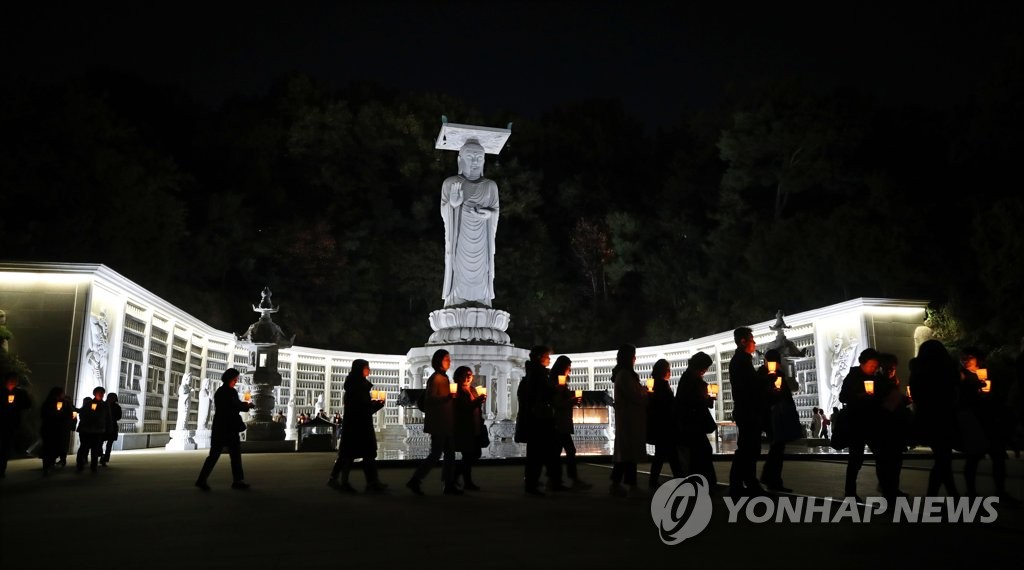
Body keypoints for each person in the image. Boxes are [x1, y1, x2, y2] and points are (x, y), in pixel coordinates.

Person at [440, 140, 499, 307]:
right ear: (460, 161)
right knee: (458, 266)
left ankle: (482, 300)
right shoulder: (451, 183)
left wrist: (489, 214)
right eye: (470, 157)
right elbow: (444, 213)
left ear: (484, 162)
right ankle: (455, 300)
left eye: (479, 158)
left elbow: (496, 212)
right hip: (460, 240)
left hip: (482, 242)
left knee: (483, 269)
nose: (474, 162)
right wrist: (453, 204)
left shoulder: (490, 186)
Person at [958, 348, 1016, 503]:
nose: (964, 360)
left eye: (969, 357)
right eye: (963, 357)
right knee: (973, 458)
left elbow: (998, 394)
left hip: (991, 420)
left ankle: (1000, 491)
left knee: (997, 457)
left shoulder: (989, 374)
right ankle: (971, 492)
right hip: (974, 421)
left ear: (979, 360)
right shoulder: (961, 376)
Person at [908, 339, 960, 498]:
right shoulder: (947, 370)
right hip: (945, 418)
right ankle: (950, 497)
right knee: (944, 460)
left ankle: (940, 497)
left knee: (943, 460)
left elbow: (916, 395)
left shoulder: (918, 372)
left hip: (927, 419)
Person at [327, 359, 388, 493]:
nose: (369, 370)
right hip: (358, 425)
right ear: (360, 369)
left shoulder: (355, 386)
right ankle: (344, 481)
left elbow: (362, 406)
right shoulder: (358, 387)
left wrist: (373, 405)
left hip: (355, 424)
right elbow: (361, 409)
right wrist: (376, 405)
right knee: (351, 454)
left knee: (357, 453)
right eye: (367, 367)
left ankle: (367, 482)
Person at [406, 349, 460, 496]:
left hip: (446, 422)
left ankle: (448, 483)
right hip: (439, 423)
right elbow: (430, 400)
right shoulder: (436, 378)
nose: (448, 362)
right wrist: (447, 398)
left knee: (449, 454)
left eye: (449, 359)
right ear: (438, 361)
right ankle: (416, 479)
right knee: (436, 454)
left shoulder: (444, 378)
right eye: (446, 359)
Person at [728, 327, 772, 499]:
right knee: (748, 449)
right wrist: (766, 378)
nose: (755, 343)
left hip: (746, 410)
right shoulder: (741, 361)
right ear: (743, 341)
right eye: (752, 340)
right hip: (748, 411)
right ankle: (742, 484)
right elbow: (749, 387)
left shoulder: (741, 360)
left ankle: (743, 483)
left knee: (748, 448)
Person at [194, 368, 255, 491]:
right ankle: (237, 480)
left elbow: (233, 406)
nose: (236, 381)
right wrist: (246, 405)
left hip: (220, 427)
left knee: (216, 455)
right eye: (235, 379)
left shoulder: (220, 392)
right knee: (233, 455)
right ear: (229, 378)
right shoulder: (229, 392)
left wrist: (244, 405)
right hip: (228, 428)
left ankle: (202, 479)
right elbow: (233, 407)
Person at [518, 345, 565, 495]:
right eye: (546, 356)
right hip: (539, 419)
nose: (549, 359)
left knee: (541, 451)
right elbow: (539, 395)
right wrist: (555, 390)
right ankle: (536, 483)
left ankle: (547, 481)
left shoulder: (535, 373)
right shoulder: (537, 375)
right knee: (539, 452)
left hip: (538, 417)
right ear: (539, 357)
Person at [838, 348, 881, 501]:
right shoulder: (852, 377)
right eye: (871, 364)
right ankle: (850, 492)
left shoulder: (876, 378)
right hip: (857, 423)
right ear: (862, 363)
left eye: (876, 365)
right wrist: (860, 396)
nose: (874, 367)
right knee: (855, 459)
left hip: (873, 423)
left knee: (881, 455)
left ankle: (887, 486)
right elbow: (843, 397)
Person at [609, 343, 648, 497]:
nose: (634, 359)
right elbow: (635, 396)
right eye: (633, 356)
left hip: (630, 418)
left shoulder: (624, 375)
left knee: (626, 454)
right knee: (628, 454)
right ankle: (627, 485)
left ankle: (620, 484)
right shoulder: (624, 375)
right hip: (629, 419)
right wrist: (646, 395)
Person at [675, 351, 718, 487]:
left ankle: (701, 482)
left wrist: (708, 398)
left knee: (699, 452)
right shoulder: (690, 379)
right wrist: (706, 399)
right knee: (702, 451)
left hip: (691, 422)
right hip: (691, 422)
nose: (705, 371)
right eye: (705, 367)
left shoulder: (690, 378)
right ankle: (704, 483)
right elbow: (691, 400)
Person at [871, 353, 910, 500]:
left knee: (895, 460)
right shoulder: (877, 382)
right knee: (885, 460)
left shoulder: (893, 382)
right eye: (887, 368)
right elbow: (876, 404)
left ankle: (893, 487)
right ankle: (888, 489)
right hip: (883, 426)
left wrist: (905, 400)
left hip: (895, 426)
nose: (890, 371)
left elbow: (896, 403)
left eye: (892, 368)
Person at [550, 355, 592, 490]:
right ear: (563, 367)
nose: (570, 370)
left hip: (562, 422)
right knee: (567, 450)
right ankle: (567, 480)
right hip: (558, 422)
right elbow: (556, 404)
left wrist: (573, 400)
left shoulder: (559, 383)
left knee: (557, 451)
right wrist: (571, 401)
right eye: (569, 367)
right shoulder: (555, 383)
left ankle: (555, 481)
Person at [761, 349, 798, 493]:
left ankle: (773, 479)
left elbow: (786, 395)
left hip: (782, 415)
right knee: (776, 447)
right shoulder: (762, 375)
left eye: (776, 363)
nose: (774, 365)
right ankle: (771, 479)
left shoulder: (779, 375)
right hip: (771, 416)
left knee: (778, 448)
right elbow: (762, 397)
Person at [647, 358, 683, 489]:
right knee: (670, 455)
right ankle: (679, 480)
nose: (670, 372)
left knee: (662, 455)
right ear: (663, 371)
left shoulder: (654, 385)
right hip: (665, 425)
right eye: (668, 369)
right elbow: (665, 405)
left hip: (660, 426)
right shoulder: (661, 385)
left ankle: (654, 480)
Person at [452, 366, 487, 491]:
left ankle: (458, 477)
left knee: (474, 454)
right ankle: (465, 481)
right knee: (468, 454)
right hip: (464, 427)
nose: (468, 377)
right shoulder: (456, 391)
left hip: (475, 426)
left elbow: (475, 408)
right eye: (465, 374)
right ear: (458, 376)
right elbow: (462, 409)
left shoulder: (472, 389)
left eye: (470, 374)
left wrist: (479, 402)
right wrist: (477, 402)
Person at [0, 371, 31, 478]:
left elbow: (27, 404)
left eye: (16, 379)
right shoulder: (2, 391)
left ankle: (1, 469)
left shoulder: (20, 393)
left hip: (11, 423)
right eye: (12, 379)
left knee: (5, 447)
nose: (15, 381)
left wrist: (16, 405)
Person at [75, 386, 110, 473]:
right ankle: (80, 464)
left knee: (95, 449)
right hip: (87, 430)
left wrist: (108, 429)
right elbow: (83, 414)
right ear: (94, 393)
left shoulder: (105, 404)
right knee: (84, 447)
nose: (101, 395)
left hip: (98, 430)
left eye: (102, 393)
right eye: (99, 393)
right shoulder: (89, 403)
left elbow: (108, 417)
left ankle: (93, 466)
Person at [39, 387, 73, 475]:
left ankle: (50, 465)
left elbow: (69, 415)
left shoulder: (65, 403)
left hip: (59, 430)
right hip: (50, 429)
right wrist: (56, 414)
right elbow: (44, 415)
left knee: (53, 448)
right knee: (49, 448)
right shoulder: (49, 403)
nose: (63, 395)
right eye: (62, 393)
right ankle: (47, 466)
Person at [101, 392, 121, 466]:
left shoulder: (117, 407)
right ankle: (102, 456)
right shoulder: (103, 405)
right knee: (100, 443)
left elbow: (119, 417)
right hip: (104, 426)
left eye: (113, 398)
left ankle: (105, 458)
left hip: (112, 426)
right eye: (111, 397)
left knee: (109, 444)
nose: (112, 399)